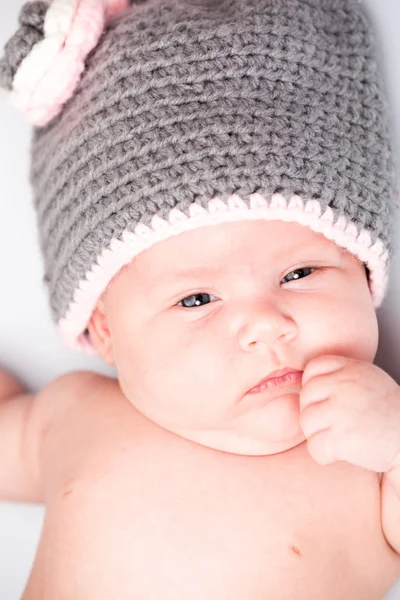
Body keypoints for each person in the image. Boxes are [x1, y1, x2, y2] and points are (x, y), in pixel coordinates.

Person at [1, 0, 400, 597]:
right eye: (196, 299)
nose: (266, 325)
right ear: (104, 328)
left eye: (300, 273)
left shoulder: (369, 460)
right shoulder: (71, 415)